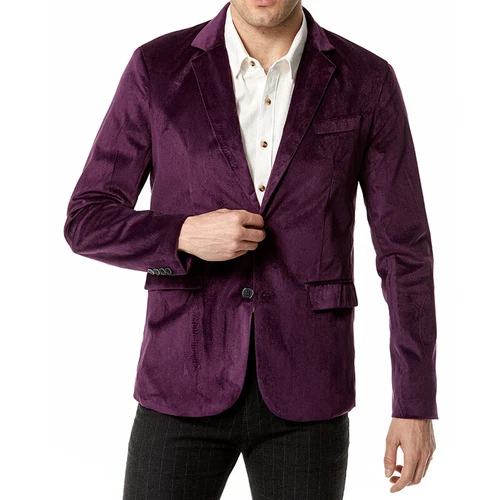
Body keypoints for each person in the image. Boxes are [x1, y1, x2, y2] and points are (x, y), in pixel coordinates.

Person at [64, 1, 437, 498]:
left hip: (308, 389)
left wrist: (414, 402)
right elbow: (87, 219)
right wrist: (182, 235)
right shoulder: (158, 68)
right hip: (180, 377)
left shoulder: (367, 80)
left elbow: (404, 252)